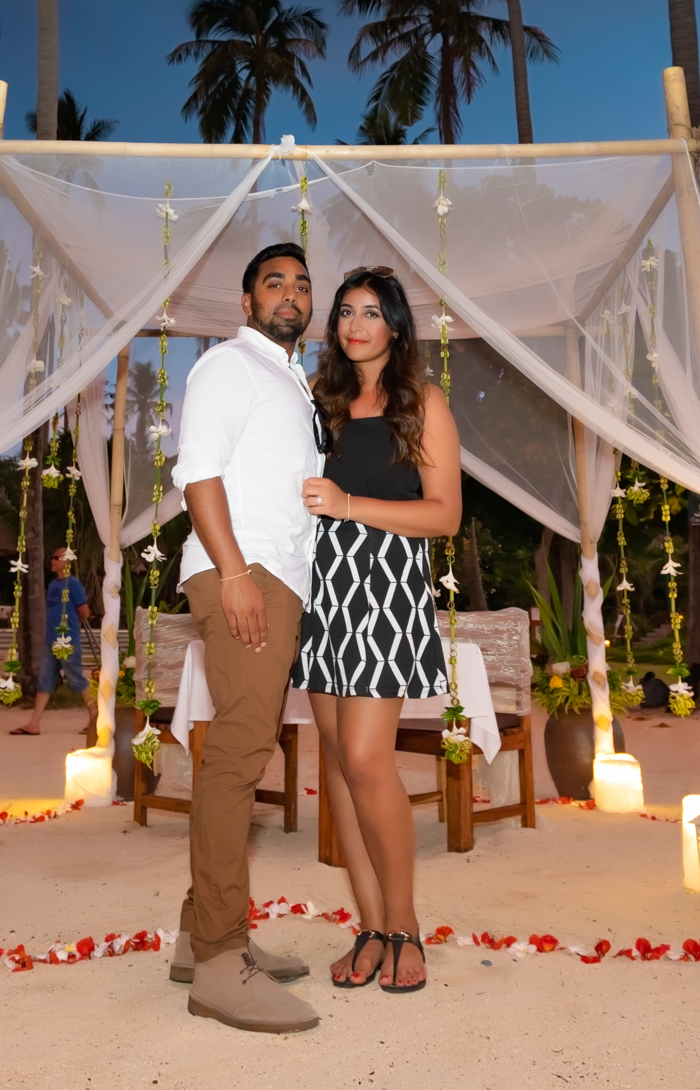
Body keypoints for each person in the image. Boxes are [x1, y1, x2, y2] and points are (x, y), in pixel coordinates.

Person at [166, 242, 321, 1033]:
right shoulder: (229, 364)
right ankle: (222, 960)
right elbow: (197, 470)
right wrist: (232, 573)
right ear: (247, 299)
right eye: (275, 283)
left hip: (273, 571)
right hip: (245, 570)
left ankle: (202, 938)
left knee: (240, 745)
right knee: (239, 754)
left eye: (301, 284)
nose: (290, 295)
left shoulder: (286, 378)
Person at [295, 265, 461, 997]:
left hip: (386, 587)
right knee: (336, 766)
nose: (355, 324)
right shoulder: (323, 404)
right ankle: (368, 926)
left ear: (395, 325)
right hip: (321, 589)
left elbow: (444, 515)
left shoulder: (422, 403)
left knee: (366, 759)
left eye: (371, 312)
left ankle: (405, 927)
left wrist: (348, 503)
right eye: (345, 312)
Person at [11, 548, 88, 736]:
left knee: (76, 678)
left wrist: (70, 627)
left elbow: (84, 611)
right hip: (50, 640)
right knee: (44, 680)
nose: (52, 561)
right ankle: (34, 723)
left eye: (56, 558)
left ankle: (96, 714)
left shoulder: (74, 584)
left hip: (67, 640)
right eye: (52, 557)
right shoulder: (53, 584)